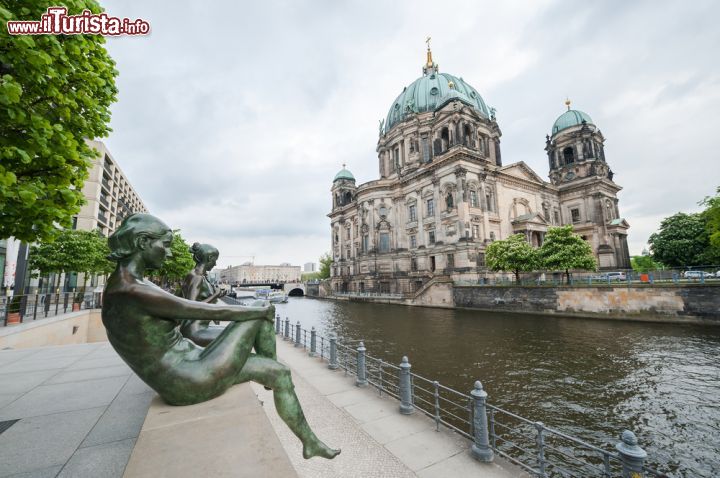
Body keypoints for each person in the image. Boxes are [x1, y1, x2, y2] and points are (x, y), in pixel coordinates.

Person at [102, 213, 339, 460]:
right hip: (186, 379)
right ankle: (270, 372)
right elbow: (197, 310)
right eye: (166, 245)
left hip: (190, 364)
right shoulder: (131, 290)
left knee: (279, 371)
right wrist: (259, 310)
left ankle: (310, 443)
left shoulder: (131, 284)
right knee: (258, 315)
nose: (169, 253)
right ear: (142, 242)